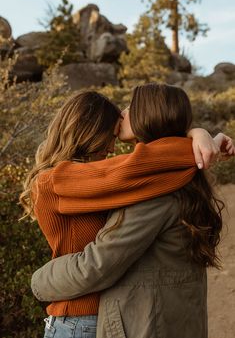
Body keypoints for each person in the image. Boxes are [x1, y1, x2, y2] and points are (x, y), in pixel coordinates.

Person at [23, 87, 234, 338]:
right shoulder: (55, 180)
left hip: (96, 314)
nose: (112, 148)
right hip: (76, 317)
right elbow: (133, 167)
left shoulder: (146, 182)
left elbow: (139, 165)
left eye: (130, 107)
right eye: (110, 135)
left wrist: (195, 137)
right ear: (90, 132)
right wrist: (194, 142)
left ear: (149, 115)